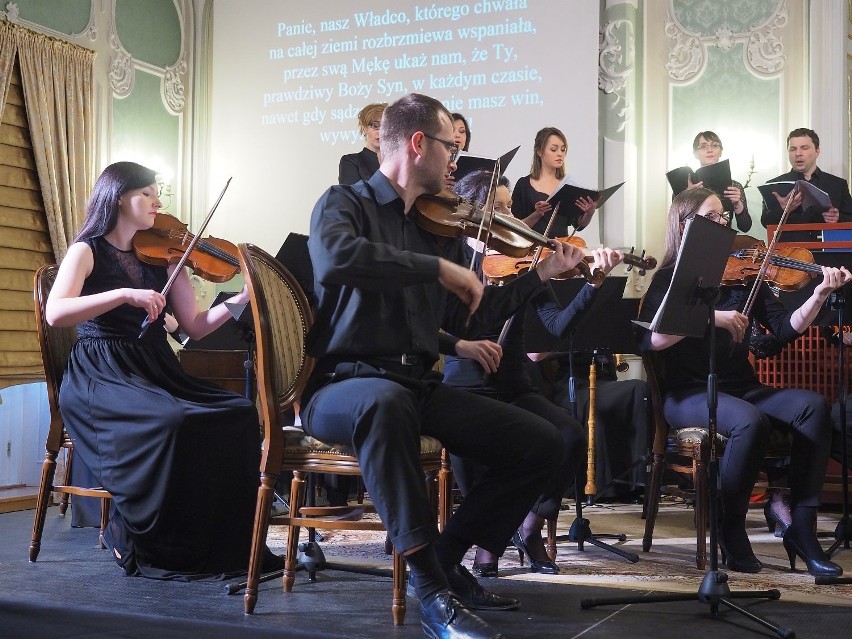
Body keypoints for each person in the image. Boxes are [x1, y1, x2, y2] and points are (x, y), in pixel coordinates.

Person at [302, 93, 586, 639]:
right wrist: (433, 267)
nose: (457, 162)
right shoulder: (343, 203)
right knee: (383, 403)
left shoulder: (435, 227)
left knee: (543, 442)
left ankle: (445, 559)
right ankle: (432, 593)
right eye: (450, 149)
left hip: (416, 383)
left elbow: (462, 313)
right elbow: (336, 261)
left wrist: (539, 274)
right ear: (417, 144)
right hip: (344, 383)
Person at [46, 161, 271, 580]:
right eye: (148, 194)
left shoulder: (165, 258)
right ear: (118, 197)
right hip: (101, 371)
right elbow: (56, 313)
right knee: (172, 420)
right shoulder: (87, 250)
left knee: (237, 413)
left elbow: (196, 327)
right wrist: (123, 294)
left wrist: (240, 299)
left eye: (156, 194)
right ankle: (134, 529)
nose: (158, 202)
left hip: (154, 367)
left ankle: (213, 541)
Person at [635, 187, 851, 577]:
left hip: (740, 385)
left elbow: (782, 330)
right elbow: (653, 339)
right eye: (713, 217)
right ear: (686, 224)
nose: (724, 224)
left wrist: (819, 293)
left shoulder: (741, 277)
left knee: (812, 406)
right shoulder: (669, 278)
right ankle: (730, 527)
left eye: (724, 217)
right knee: (750, 420)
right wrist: (711, 317)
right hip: (687, 393)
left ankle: (802, 529)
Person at [441, 169, 624, 577]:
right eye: (500, 208)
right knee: (478, 451)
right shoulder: (452, 258)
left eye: (510, 206)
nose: (510, 216)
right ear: (473, 213)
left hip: (514, 383)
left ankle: (530, 525)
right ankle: (484, 551)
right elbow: (443, 325)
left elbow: (557, 325)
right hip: (465, 385)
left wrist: (592, 286)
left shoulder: (523, 263)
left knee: (569, 435)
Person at [761, 128, 852, 241]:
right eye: (793, 149)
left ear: (817, 151)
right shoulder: (773, 185)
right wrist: (783, 209)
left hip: (828, 253)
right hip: (790, 254)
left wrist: (838, 218)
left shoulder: (838, 184)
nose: (798, 154)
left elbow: (850, 218)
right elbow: (765, 222)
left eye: (804, 148)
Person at [511, 126, 597, 235]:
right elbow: (515, 226)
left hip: (562, 248)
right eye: (553, 149)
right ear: (539, 151)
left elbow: (578, 225)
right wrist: (537, 214)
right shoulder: (523, 185)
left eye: (563, 149)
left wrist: (589, 213)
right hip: (532, 248)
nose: (560, 154)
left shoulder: (568, 185)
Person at [687, 130, 752, 232]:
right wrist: (687, 197)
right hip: (693, 242)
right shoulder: (687, 185)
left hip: (724, 242)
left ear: (721, 151)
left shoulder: (734, 186)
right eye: (703, 146)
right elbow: (676, 225)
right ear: (695, 153)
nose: (709, 150)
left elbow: (745, 227)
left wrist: (738, 204)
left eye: (714, 145)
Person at [338, 102, 386, 185]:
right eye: (375, 126)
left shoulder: (400, 160)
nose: (380, 132)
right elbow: (353, 195)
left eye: (385, 126)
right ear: (364, 128)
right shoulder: (351, 161)